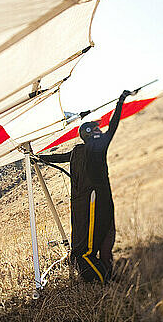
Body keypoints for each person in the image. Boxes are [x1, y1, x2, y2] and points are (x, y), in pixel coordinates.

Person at [37, 89, 133, 283]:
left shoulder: (96, 146)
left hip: (102, 202)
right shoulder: (84, 149)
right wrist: (39, 158)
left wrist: (121, 101)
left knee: (106, 243)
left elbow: (112, 126)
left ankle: (110, 279)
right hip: (97, 202)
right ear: (88, 133)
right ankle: (106, 281)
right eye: (96, 129)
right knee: (94, 249)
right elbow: (61, 157)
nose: (101, 130)